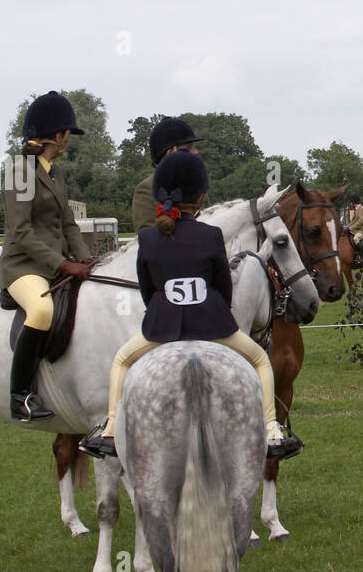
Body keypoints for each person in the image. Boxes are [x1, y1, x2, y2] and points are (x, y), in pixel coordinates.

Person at [78, 150, 302, 460]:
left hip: (162, 328)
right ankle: (271, 431)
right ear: (200, 198)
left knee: (121, 361)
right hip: (212, 327)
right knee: (261, 361)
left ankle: (111, 431)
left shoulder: (147, 238)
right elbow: (223, 291)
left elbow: (148, 291)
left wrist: (165, 312)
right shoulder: (211, 236)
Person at [0, 90, 93, 422]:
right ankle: (20, 396)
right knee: (41, 310)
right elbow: (22, 232)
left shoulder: (54, 172)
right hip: (23, 265)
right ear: (58, 135)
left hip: (53, 263)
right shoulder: (19, 172)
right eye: (68, 133)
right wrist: (63, 264)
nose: (69, 140)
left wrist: (86, 259)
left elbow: (68, 223)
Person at [132, 117, 204, 233]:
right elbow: (147, 239)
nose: (196, 152)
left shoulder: (199, 186)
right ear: (171, 153)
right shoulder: (146, 190)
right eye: (189, 147)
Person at [347, 194, 363, 261]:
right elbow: (353, 221)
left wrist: (351, 228)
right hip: (355, 230)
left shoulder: (362, 209)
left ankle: (362, 256)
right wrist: (347, 227)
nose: (350, 203)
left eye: (350, 202)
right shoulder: (356, 210)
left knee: (356, 238)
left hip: (362, 230)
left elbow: (361, 221)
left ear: (353, 202)